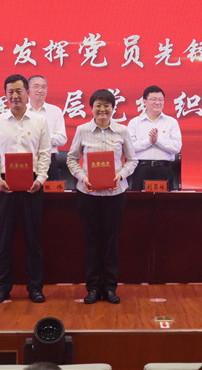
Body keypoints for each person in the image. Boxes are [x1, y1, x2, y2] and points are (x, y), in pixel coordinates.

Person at [66, 89, 137, 304]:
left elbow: (132, 160)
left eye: (107, 105)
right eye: (98, 105)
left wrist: (121, 174)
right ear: (92, 108)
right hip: (88, 194)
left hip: (115, 194)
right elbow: (71, 158)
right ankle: (93, 287)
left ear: (113, 108)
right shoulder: (82, 130)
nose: (102, 109)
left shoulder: (122, 131)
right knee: (92, 241)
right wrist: (83, 177)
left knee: (112, 242)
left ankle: (111, 287)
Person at [0, 74, 51, 304]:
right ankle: (2, 287)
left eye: (19, 91)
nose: (14, 96)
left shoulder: (40, 122)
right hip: (6, 186)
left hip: (33, 185)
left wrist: (40, 179)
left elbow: (44, 154)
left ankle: (35, 287)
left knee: (34, 239)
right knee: (4, 239)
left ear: (28, 93)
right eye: (10, 92)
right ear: (5, 95)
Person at [127, 85, 182, 190]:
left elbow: (176, 148)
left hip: (164, 169)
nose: (158, 102)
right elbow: (129, 148)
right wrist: (149, 141)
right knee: (139, 199)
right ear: (144, 101)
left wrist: (157, 141)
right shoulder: (134, 122)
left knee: (165, 200)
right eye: (154, 99)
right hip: (141, 169)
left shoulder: (171, 122)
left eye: (161, 100)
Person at [28, 75, 68, 181]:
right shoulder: (21, 111)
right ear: (28, 90)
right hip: (27, 160)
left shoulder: (55, 111)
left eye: (43, 87)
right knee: (26, 190)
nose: (40, 90)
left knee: (50, 191)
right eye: (36, 87)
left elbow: (62, 139)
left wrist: (42, 138)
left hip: (49, 159)